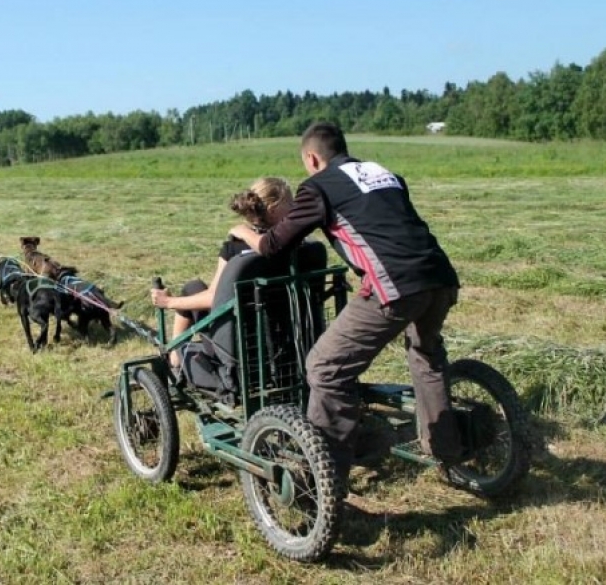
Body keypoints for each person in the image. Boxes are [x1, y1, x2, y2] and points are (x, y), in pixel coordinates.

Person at [229, 122, 463, 483]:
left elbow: (275, 245)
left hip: (394, 286)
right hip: (440, 277)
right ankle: (449, 451)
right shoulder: (384, 174)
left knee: (324, 367)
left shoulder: (318, 186)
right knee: (427, 355)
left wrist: (243, 232)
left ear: (311, 157)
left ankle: (325, 478)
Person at [150, 177, 294, 368]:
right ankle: (176, 356)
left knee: (192, 288)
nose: (295, 207)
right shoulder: (294, 246)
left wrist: (168, 302)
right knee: (196, 289)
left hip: (237, 347)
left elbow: (214, 299)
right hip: (290, 337)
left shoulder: (235, 249)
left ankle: (175, 358)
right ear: (274, 210)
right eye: (291, 203)